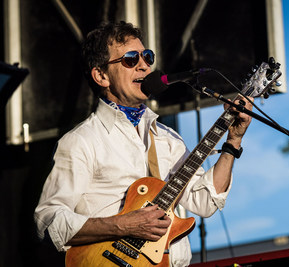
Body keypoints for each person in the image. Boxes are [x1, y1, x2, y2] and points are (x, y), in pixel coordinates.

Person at [34, 21, 253, 266]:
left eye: (147, 56)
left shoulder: (167, 138)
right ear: (101, 75)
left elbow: (205, 201)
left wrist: (233, 141)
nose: (144, 65)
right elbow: (48, 221)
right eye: (130, 59)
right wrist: (122, 226)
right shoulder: (82, 141)